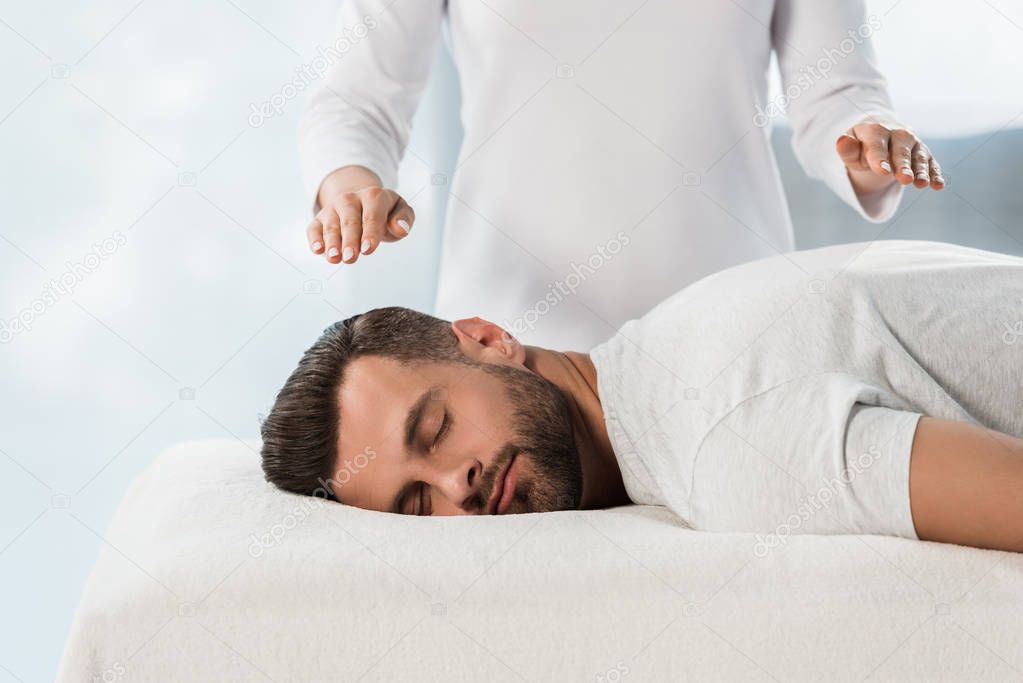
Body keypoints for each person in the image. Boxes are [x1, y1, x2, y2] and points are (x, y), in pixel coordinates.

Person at [261, 239, 1023, 553]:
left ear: (489, 338)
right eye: (417, 505)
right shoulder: (674, 335)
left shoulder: (719, 443)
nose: (453, 484)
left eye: (434, 430)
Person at [299, 1, 944, 350]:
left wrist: (869, 144)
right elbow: (358, 101)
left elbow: (836, 90)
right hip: (512, 343)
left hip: (736, 331)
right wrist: (351, 188)